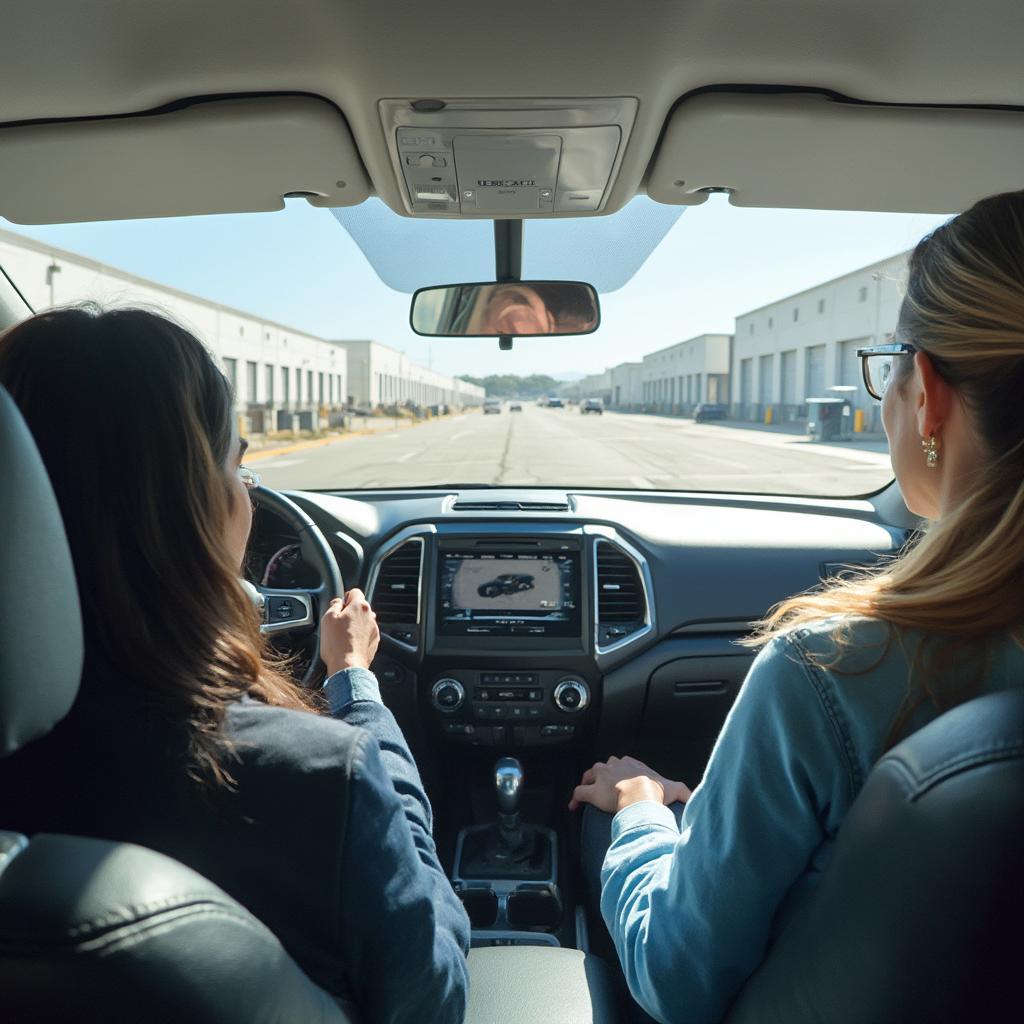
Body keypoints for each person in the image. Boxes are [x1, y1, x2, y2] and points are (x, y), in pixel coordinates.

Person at [570, 189, 1024, 1024]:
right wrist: (706, 819)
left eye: (889, 362)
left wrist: (639, 815)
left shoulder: (833, 672)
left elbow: (676, 978)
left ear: (925, 393)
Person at [0, 305, 470, 1023]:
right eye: (236, 463)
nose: (246, 491)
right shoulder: (314, 775)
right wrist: (356, 688)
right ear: (193, 503)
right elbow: (432, 998)